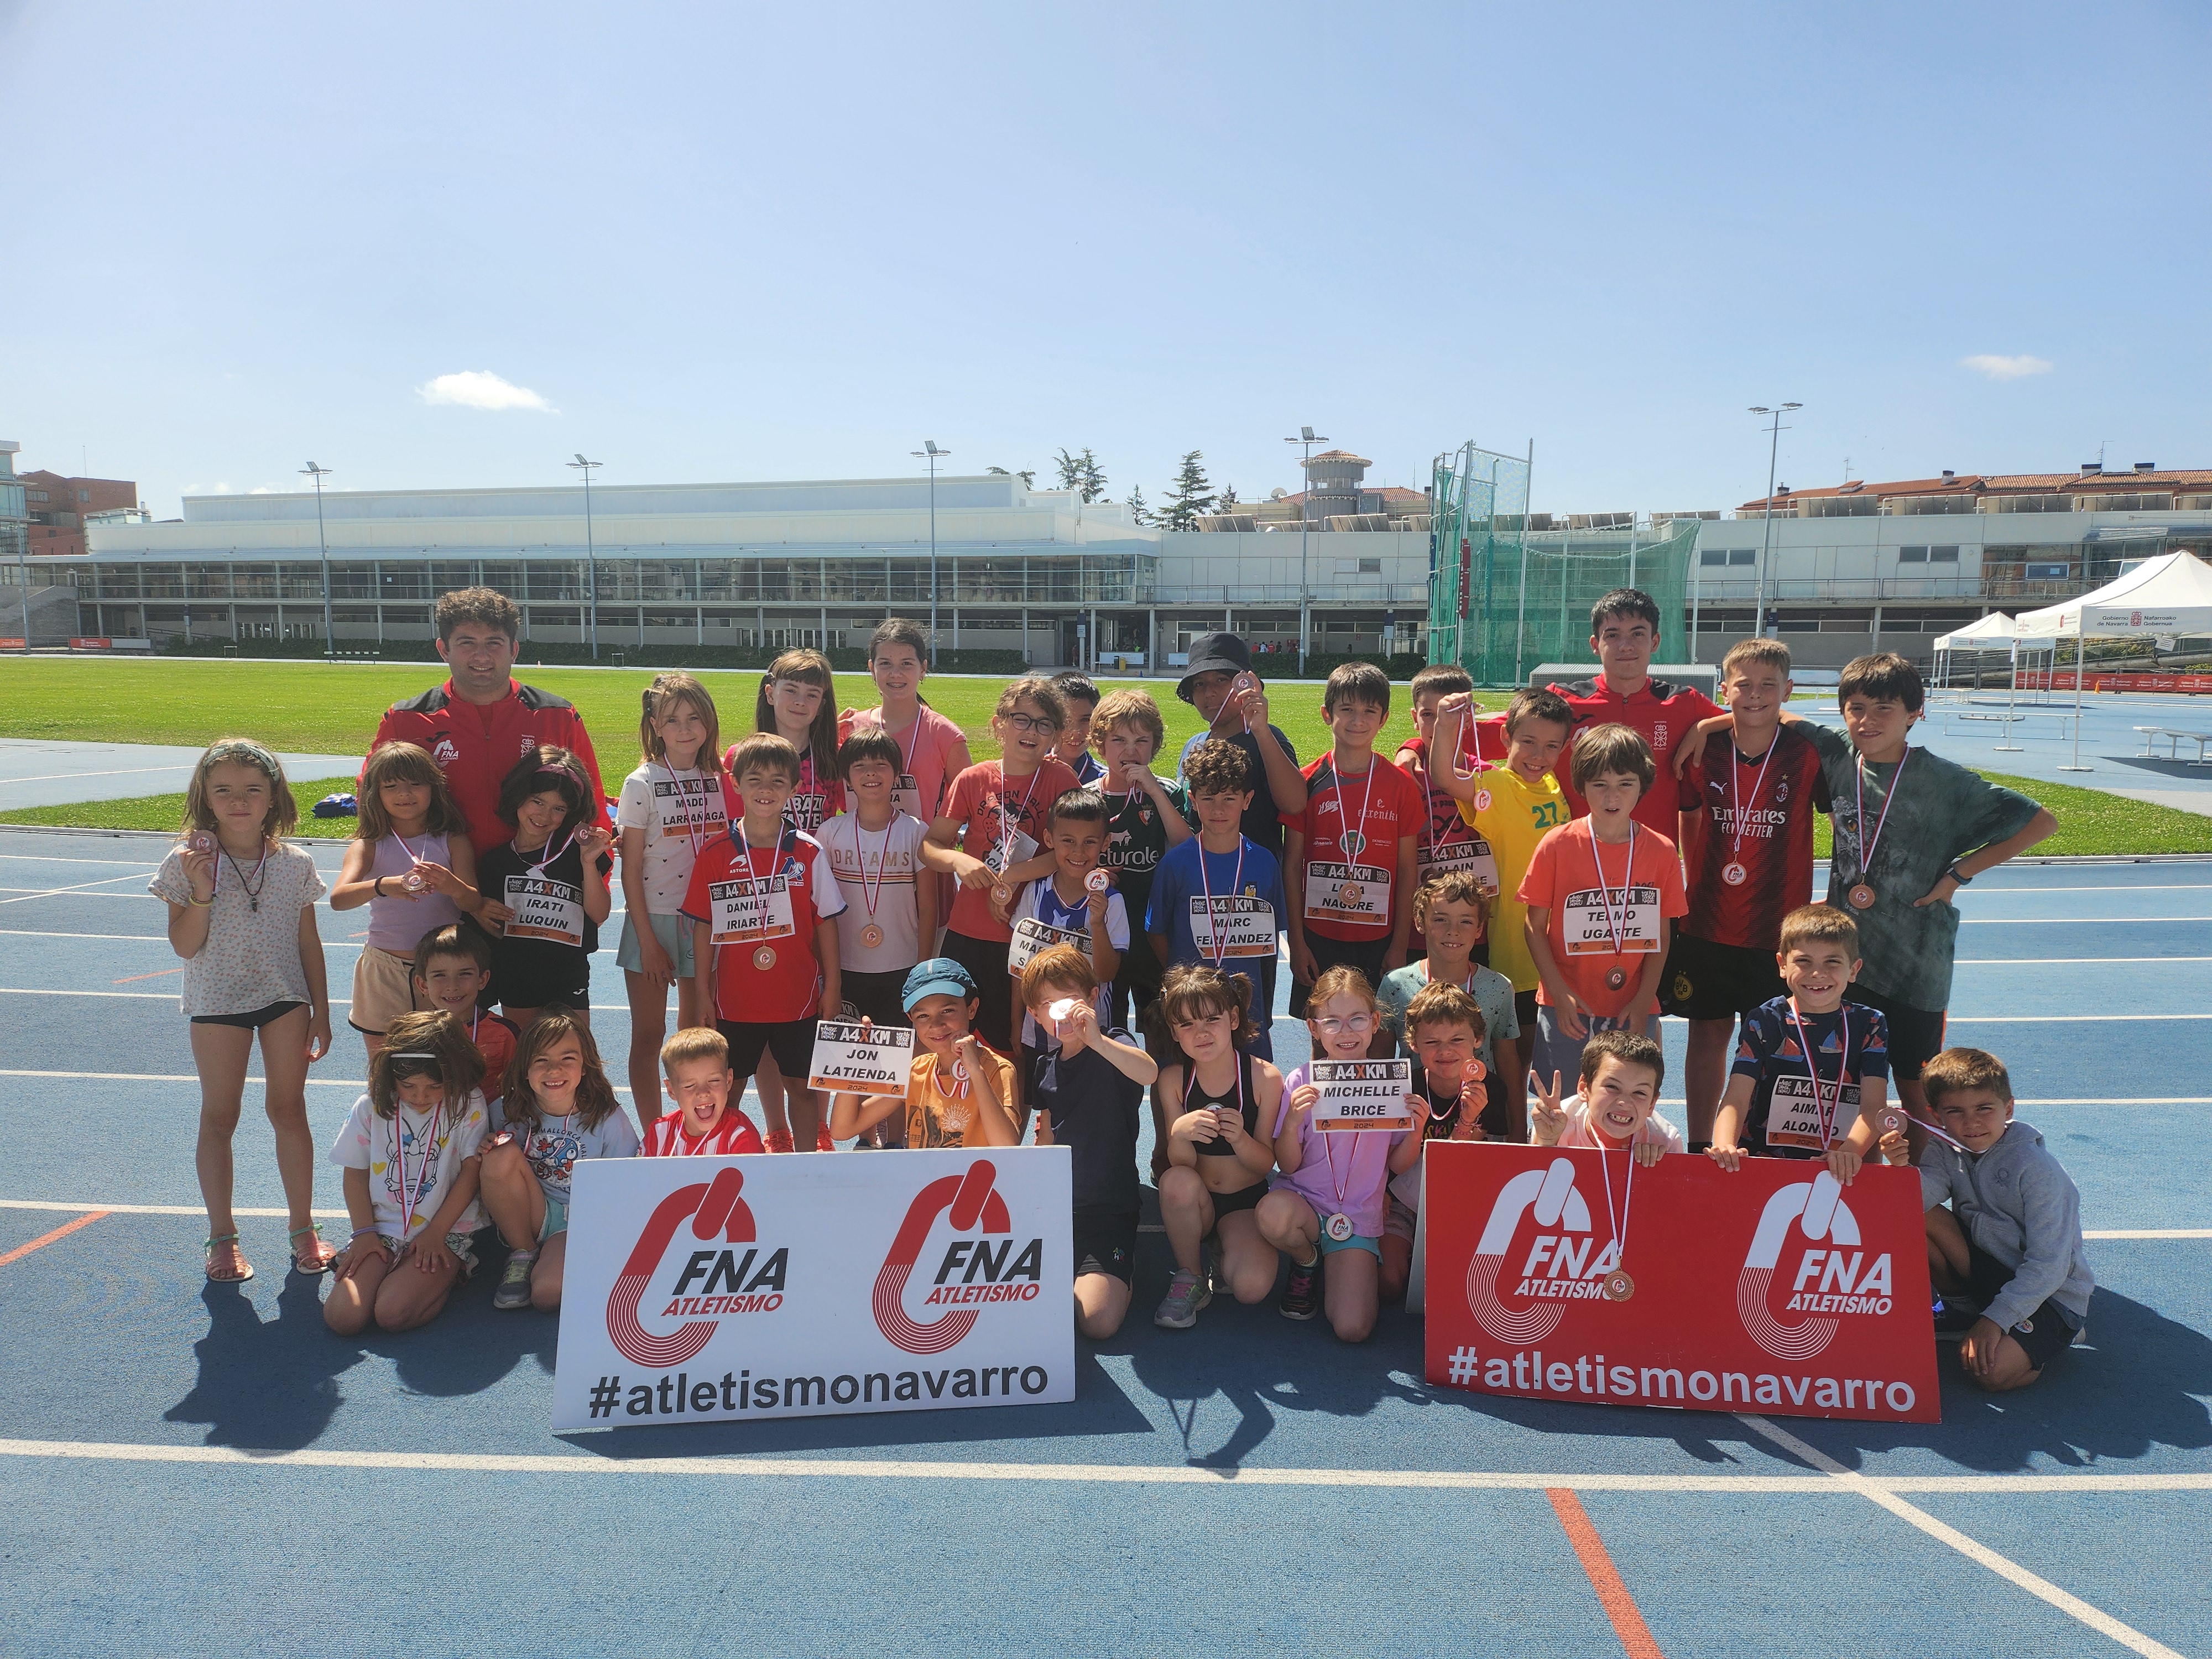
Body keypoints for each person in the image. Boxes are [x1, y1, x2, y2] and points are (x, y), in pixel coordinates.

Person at [1709, 652, 2055, 1133]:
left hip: (1916, 961)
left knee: (1917, 1086)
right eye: (1855, 708)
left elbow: (2041, 822)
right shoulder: (1835, 755)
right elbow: (1774, 711)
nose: (1867, 721)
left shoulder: (1944, 780)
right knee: (1844, 1078)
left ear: (1915, 713)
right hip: (1846, 958)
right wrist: (1703, 729)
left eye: (1883, 709)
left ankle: (1924, 1185)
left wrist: (1959, 875)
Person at [151, 738, 337, 1284]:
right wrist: (203, 891)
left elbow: (308, 943)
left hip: (285, 999)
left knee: (289, 1110)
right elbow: (184, 947)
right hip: (217, 1002)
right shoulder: (185, 861)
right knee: (220, 1116)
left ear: (273, 798)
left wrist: (321, 1010)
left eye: (253, 790)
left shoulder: (296, 864)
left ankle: (303, 1227)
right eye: (224, 791)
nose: (239, 801)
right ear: (206, 798)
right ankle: (222, 1236)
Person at [1660, 638, 1825, 1147]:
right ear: (1725, 689)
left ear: (1788, 691)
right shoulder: (1701, 749)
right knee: (1706, 1036)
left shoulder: (1808, 753)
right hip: (1708, 919)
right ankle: (1699, 1140)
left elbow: (1843, 817)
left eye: (1768, 686)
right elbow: (1689, 814)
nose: (1755, 695)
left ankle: (1758, 1142)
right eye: (1744, 686)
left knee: (1774, 1042)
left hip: (1778, 927)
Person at [682, 733, 845, 1152]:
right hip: (734, 1000)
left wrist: (834, 987)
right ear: (735, 784)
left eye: (778, 781)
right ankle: (723, 1162)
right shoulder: (716, 853)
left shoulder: (808, 853)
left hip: (799, 996)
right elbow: (703, 927)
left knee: (802, 1086)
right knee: (728, 1090)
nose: (766, 790)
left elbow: (826, 923)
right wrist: (702, 991)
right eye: (755, 780)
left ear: (793, 788)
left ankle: (807, 1163)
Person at [364, 587, 605, 855]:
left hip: (533, 885)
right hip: (440, 886)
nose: (482, 656)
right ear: (444, 649)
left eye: (494, 642)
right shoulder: (405, 720)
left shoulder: (557, 716)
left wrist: (596, 880)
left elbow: (591, 805)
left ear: (513, 650)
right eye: (467, 643)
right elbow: (372, 803)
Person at [1431, 687, 1572, 1135]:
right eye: (1528, 742)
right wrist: (1448, 725)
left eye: (1552, 746)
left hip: (1553, 951)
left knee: (1541, 1063)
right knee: (1513, 1060)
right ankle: (1505, 1137)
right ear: (1507, 737)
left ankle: (1530, 1138)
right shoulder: (1495, 784)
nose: (1539, 754)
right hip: (1515, 952)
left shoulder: (1553, 785)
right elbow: (1445, 777)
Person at [1259, 967, 1422, 1340]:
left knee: (1353, 1328)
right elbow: (1288, 1164)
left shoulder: (1390, 1085)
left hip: (1356, 1218)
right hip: (1304, 1206)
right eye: (1332, 1022)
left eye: (1357, 1019)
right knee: (1272, 1214)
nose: (1346, 1032)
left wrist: (1415, 1132)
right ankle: (1307, 1261)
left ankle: (1335, 1268)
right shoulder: (1301, 1081)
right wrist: (1291, 1123)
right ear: (1313, 1028)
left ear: (1376, 1023)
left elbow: (1398, 1165)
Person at [1519, 724, 1686, 1085]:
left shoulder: (1662, 852)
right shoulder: (1557, 845)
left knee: (1627, 1106)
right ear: (1582, 786)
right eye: (1600, 785)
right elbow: (1534, 926)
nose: (1613, 796)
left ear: (1642, 785)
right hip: (1568, 1006)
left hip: (1633, 1008)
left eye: (1625, 783)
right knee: (1559, 1110)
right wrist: (1559, 993)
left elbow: (1662, 935)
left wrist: (1644, 999)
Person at [1916, 1047, 2092, 1391]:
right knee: (1914, 1215)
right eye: (1956, 1112)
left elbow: (2050, 1265)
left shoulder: (2038, 1171)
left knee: (1990, 1374)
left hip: (2049, 1294)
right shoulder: (1944, 1147)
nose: (1972, 1123)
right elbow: (1915, 1200)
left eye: (1984, 1109)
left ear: (2008, 1108)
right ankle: (1962, 1311)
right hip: (1991, 1269)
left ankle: (2054, 1336)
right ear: (1936, 1116)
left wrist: (1995, 1319)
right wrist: (1897, 1168)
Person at [926, 678, 1080, 1056]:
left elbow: (1071, 852)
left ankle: (1015, 1117)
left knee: (1020, 1043)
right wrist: (959, 859)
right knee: (957, 1039)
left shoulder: (1061, 780)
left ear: (1056, 736)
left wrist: (1013, 876)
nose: (1031, 731)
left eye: (1044, 724)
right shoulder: (974, 778)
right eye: (1021, 719)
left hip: (1032, 934)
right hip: (971, 932)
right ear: (999, 725)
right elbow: (930, 846)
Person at [1019, 945, 1158, 1339]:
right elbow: (1045, 1140)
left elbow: (1148, 1073)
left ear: (1093, 998)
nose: (1058, 1011)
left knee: (1097, 1323)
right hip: (1059, 1210)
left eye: (1069, 999)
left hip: (1107, 1210)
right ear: (1035, 1014)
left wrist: (1095, 1040)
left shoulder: (1115, 1043)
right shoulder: (1045, 1069)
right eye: (1046, 1003)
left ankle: (1122, 1271)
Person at [322, 1009, 491, 1334]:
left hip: (444, 1230)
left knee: (392, 1314)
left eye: (433, 1086)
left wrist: (436, 1232)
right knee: (343, 1319)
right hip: (383, 1228)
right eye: (409, 1085)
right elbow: (355, 1172)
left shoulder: (468, 1103)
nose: (420, 1096)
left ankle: (453, 1270)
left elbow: (471, 1172)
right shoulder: (372, 1105)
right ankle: (395, 1271)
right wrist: (363, 1233)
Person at [1282, 662, 1423, 1032]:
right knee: (1322, 1033)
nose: (1357, 720)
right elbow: (1292, 863)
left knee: (1376, 1035)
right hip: (1319, 936)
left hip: (1378, 939)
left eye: (1368, 711)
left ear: (1384, 718)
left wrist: (1400, 944)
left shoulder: (1401, 786)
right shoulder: (1307, 781)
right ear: (1327, 714)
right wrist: (1297, 942)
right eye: (1347, 709)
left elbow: (1409, 870)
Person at [617, 672, 729, 1127]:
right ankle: (653, 1133)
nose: (685, 730)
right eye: (673, 720)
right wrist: (647, 940)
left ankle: (694, 1129)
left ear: (709, 723)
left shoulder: (720, 778)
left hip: (708, 923)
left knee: (697, 1035)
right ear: (655, 726)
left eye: (694, 719)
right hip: (654, 922)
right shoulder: (640, 782)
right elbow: (630, 869)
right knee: (649, 1035)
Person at [1708, 904, 1886, 1186]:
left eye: (1832, 962)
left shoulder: (1870, 1024)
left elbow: (1874, 1105)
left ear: (1854, 970)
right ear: (1782, 965)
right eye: (1803, 961)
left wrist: (1848, 1152)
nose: (1817, 973)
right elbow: (1737, 1097)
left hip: (1840, 1163)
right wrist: (1724, 1144)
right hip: (1765, 1161)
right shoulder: (1764, 1020)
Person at [1150, 964, 1285, 1331]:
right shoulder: (1172, 1080)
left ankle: (1225, 1249)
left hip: (1244, 1202)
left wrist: (1241, 1139)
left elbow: (1264, 1165)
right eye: (1188, 1025)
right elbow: (1179, 1165)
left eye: (1212, 1019)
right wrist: (1179, 1134)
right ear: (1175, 1034)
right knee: (1175, 1182)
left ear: (1235, 1018)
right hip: (1198, 1201)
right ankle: (1191, 1274)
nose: (1202, 1032)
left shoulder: (1265, 1077)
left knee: (1251, 1288)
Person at [479, 1009, 640, 1312]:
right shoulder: (505, 1109)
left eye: (567, 1059)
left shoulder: (607, 1117)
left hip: (581, 1219)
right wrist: (486, 1145)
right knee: (497, 1155)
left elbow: (624, 1182)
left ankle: (575, 1260)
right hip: (533, 1211)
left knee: (547, 1295)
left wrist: (603, 1238)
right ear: (525, 1069)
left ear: (585, 1066)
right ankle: (522, 1252)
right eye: (541, 1060)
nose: (555, 1070)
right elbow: (488, 1173)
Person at [331, 740, 482, 1059]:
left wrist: (451, 886)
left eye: (416, 784)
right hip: (384, 968)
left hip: (443, 970)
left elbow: (472, 902)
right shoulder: (368, 844)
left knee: (444, 1063)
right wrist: (384, 885)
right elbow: (339, 899)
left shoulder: (452, 840)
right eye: (392, 786)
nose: (405, 794)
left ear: (434, 788)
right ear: (375, 793)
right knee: (384, 1066)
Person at [1146, 738, 1289, 1070]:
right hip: (1188, 1003)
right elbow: (1157, 932)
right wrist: (1187, 973)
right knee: (1184, 1084)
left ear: (1247, 800)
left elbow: (1269, 938)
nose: (1219, 810)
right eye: (1208, 799)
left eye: (1229, 798)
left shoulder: (1264, 863)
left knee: (1252, 1088)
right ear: (1193, 801)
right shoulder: (1176, 865)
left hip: (1246, 1005)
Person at [473, 745, 615, 1036]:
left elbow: (599, 914)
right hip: (517, 976)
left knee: (573, 1056)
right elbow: (494, 929)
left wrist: (588, 863)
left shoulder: (578, 851)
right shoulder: (495, 862)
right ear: (519, 798)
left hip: (569, 975)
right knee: (526, 1058)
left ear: (571, 812)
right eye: (537, 802)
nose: (545, 815)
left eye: (558, 808)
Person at [817, 729, 937, 1048]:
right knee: (848, 1061)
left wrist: (921, 968)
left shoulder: (915, 832)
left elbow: (927, 906)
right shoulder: (829, 833)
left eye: (881, 765)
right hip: (845, 967)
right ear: (847, 777)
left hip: (902, 966)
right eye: (859, 766)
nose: (871, 773)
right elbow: (820, 911)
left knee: (899, 1064)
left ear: (897, 774)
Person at [1376, 873, 1519, 1134]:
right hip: (1412, 1121)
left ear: (1479, 928)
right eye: (1441, 919)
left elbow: (1508, 1062)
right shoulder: (1395, 985)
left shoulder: (1498, 988)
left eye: (1466, 921)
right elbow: (1380, 1059)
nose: (1453, 931)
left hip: (1481, 1119)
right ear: (1420, 922)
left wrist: (1519, 1129)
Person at [1087, 688, 1192, 1032]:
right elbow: (1070, 858)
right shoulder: (1087, 796)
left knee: (1164, 1033)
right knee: (1108, 1032)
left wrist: (1156, 793)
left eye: (1141, 741)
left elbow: (1186, 848)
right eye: (1119, 740)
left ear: (1155, 746)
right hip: (1106, 936)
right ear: (1100, 745)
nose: (1130, 751)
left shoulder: (1169, 792)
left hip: (1155, 934)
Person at [1378, 981, 1491, 1302]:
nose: (1445, 1052)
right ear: (1413, 1043)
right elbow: (1386, 1159)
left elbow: (1459, 1169)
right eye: (1432, 1042)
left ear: (1477, 1040)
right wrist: (1378, 1193)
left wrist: (1468, 1121)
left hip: (1455, 1205)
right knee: (1388, 1283)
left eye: (1457, 1040)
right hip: (1400, 1202)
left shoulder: (1488, 1089)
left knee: (1458, 1289)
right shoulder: (1404, 1087)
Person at [829, 959, 1019, 1149]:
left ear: (972, 1008)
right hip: (925, 1179)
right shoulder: (915, 1072)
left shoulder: (998, 1069)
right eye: (923, 1016)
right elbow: (843, 1130)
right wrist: (854, 1059)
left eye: (947, 1011)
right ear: (911, 1019)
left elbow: (1007, 1146)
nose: (936, 1025)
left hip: (976, 1178)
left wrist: (976, 1072)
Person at [1009, 788, 1128, 1064]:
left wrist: (1097, 924)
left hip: (1090, 1032)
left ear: (1106, 843)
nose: (1078, 851)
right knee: (1040, 1099)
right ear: (1049, 839)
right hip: (1037, 1030)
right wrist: (1017, 1023)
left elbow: (1108, 974)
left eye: (1089, 842)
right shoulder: (1035, 893)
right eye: (1068, 841)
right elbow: (1018, 968)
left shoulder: (1112, 902)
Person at [1172, 632, 1307, 860]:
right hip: (1200, 882)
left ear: (1244, 683)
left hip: (1253, 884)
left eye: (1221, 680)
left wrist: (1261, 730)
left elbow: (1295, 804)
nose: (1210, 692)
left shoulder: (1267, 738)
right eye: (1200, 684)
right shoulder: (1194, 746)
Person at [1395, 664, 1495, 948]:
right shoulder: (1403, 775)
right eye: (1429, 715)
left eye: (1450, 714)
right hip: (1415, 930)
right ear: (1415, 719)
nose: (1440, 723)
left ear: (1469, 716)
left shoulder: (1490, 778)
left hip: (1475, 931)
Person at [839, 618, 973, 827]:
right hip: (860, 856)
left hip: (925, 857)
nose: (896, 674)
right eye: (885, 664)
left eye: (907, 664)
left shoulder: (946, 736)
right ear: (872, 669)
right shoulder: (848, 730)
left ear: (923, 669)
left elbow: (969, 804)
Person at [1528, 1028, 1683, 1160]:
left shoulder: (1665, 1142)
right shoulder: (1555, 1122)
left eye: (1639, 1092)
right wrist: (1546, 1142)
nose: (1624, 1102)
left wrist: (1656, 1171)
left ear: (1652, 1104)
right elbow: (1531, 1189)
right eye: (1612, 1087)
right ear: (1584, 1088)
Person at [409, 924, 518, 1104]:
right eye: (440, 975)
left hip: (488, 1127)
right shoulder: (412, 1034)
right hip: (431, 1126)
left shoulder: (506, 1033)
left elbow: (519, 1090)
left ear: (482, 980)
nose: (453, 986)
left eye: (465, 974)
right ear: (423, 985)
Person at [641, 1027, 766, 1156]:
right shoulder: (659, 1134)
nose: (703, 1093)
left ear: (728, 1081)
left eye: (714, 1081)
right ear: (671, 1090)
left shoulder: (741, 1136)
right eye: (689, 1085)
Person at [1050, 672, 1108, 785]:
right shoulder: (1028, 770)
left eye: (1085, 720)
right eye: (1067, 720)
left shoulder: (1104, 783)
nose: (1075, 732)